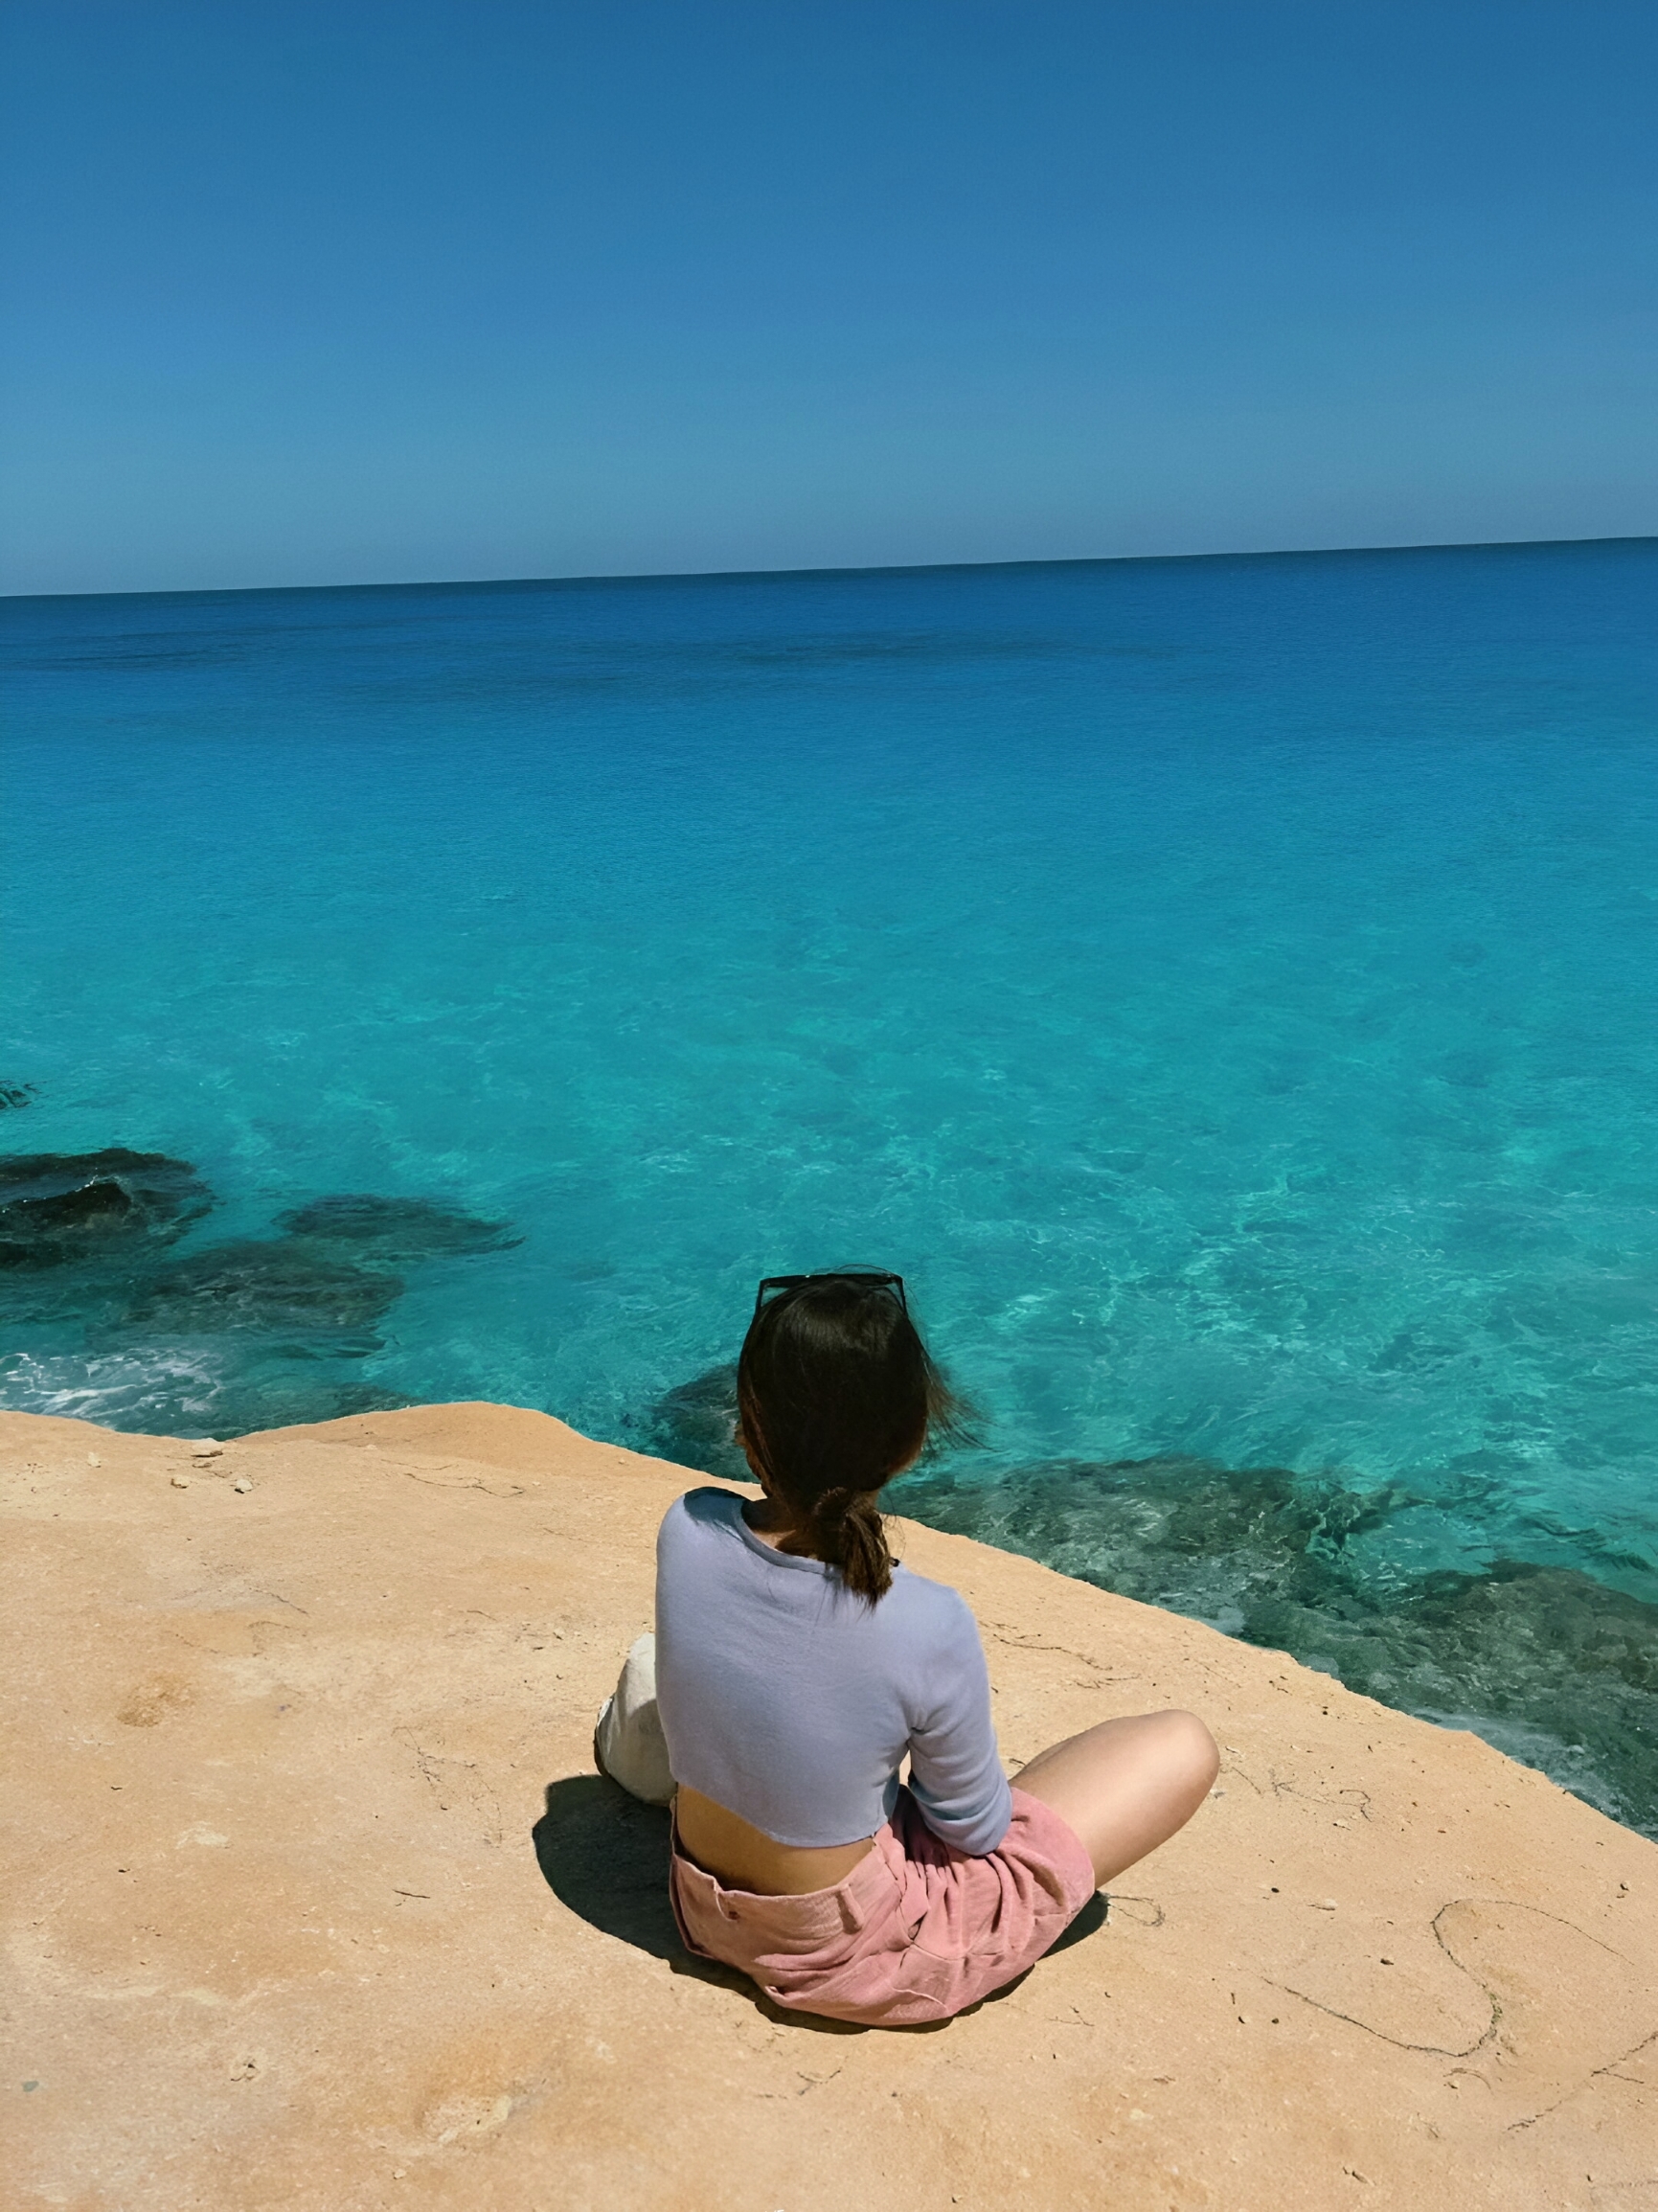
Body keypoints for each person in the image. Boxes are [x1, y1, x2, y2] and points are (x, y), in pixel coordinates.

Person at [613, 1269, 1218, 2027]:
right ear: (909, 1441)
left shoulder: (686, 1523)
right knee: (1180, 1743)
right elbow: (973, 1831)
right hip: (852, 1952)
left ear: (745, 1424)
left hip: (702, 1905)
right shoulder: (924, 1619)